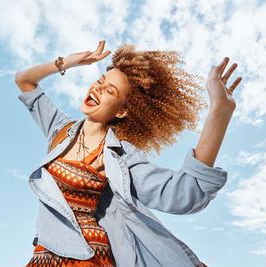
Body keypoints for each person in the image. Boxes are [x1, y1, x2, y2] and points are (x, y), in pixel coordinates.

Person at [15, 40, 241, 267]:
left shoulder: (122, 158)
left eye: (109, 91)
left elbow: (184, 192)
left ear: (121, 111)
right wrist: (68, 62)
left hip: (89, 257)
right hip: (44, 254)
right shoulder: (60, 130)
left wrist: (219, 111)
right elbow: (24, 81)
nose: (98, 88)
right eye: (100, 81)